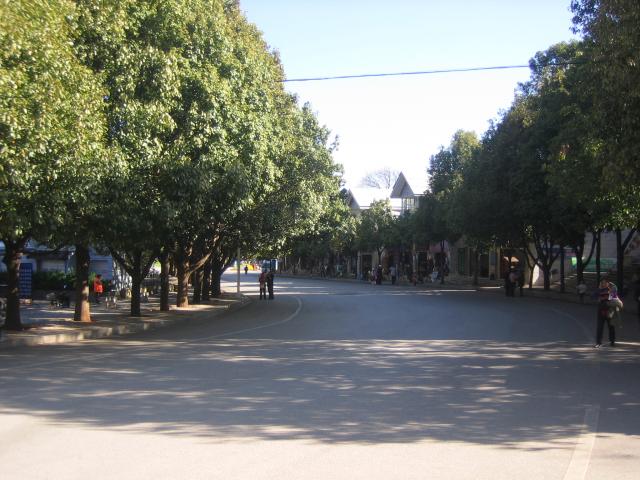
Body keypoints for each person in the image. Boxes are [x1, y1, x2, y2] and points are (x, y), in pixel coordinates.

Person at [595, 278, 616, 348]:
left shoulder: (611, 290)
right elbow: (592, 296)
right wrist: (598, 290)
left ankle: (612, 341)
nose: (603, 284)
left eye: (605, 283)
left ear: (608, 283)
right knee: (599, 327)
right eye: (602, 283)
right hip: (601, 311)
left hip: (609, 311)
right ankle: (598, 342)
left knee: (611, 327)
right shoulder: (599, 290)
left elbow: (614, 298)